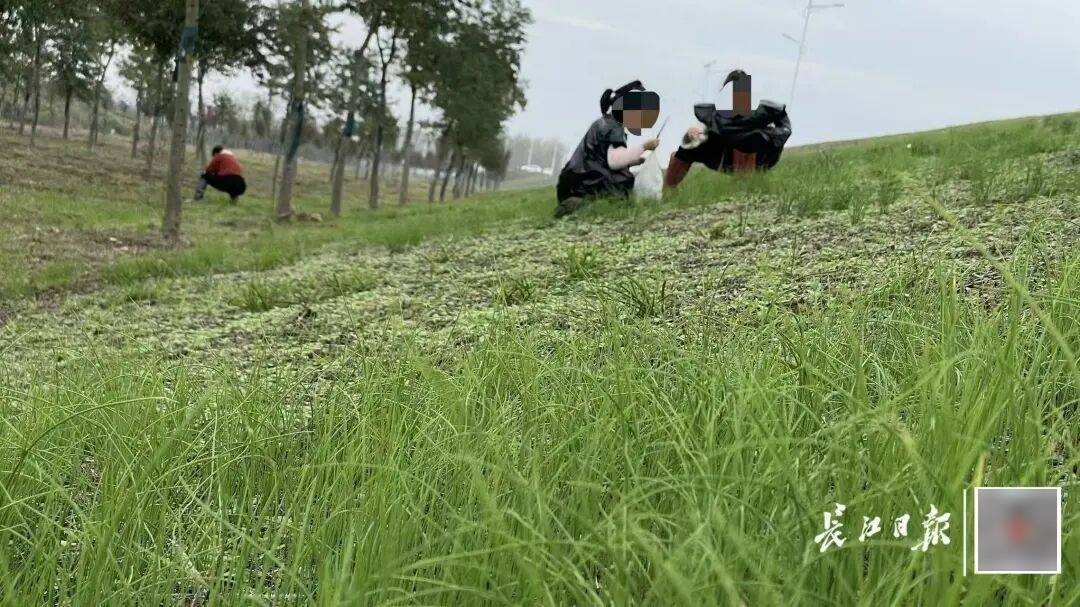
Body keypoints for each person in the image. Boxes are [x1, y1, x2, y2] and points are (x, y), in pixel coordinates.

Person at [664, 71, 792, 191]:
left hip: (759, 157)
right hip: (723, 156)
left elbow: (784, 128)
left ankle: (743, 191)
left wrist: (768, 135)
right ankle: (668, 193)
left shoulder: (762, 112)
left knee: (748, 139)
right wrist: (693, 133)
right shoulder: (716, 114)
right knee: (684, 149)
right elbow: (700, 129)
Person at [556, 80, 661, 217]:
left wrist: (633, 161)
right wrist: (645, 146)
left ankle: (578, 203)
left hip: (574, 183)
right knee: (623, 185)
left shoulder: (605, 122)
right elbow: (614, 161)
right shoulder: (613, 127)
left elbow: (601, 159)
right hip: (589, 184)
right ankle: (580, 205)